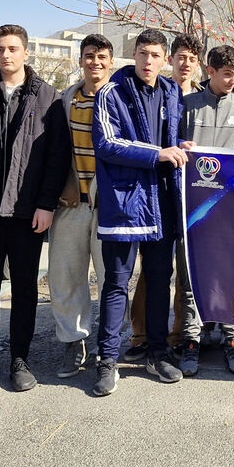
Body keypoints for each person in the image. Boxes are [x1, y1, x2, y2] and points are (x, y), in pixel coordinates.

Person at [0, 24, 70, 394]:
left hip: (27, 212)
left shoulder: (48, 96)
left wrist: (46, 205)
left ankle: (20, 359)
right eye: (0, 49)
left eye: (13, 48)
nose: (6, 55)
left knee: (24, 289)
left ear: (25, 52)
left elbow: (56, 157)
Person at [93, 29, 194, 392]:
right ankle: (107, 360)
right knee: (116, 283)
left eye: (155, 55)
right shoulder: (111, 92)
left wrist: (179, 146)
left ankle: (157, 352)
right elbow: (107, 144)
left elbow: (166, 140)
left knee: (159, 280)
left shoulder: (171, 91)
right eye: (142, 53)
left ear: (165, 59)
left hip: (162, 202)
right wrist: (158, 154)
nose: (148, 61)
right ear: (133, 54)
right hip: (125, 202)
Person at [178, 45, 234, 374]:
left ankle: (232, 339)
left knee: (229, 273)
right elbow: (174, 147)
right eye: (226, 74)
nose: (232, 80)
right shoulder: (187, 106)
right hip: (192, 207)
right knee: (191, 275)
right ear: (209, 71)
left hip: (231, 209)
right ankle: (191, 339)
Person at [46, 34, 114, 382]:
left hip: (110, 206)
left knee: (111, 278)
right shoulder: (65, 100)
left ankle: (110, 344)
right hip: (71, 203)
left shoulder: (121, 99)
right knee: (66, 276)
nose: (95, 62)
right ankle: (73, 341)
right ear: (80, 61)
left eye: (101, 56)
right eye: (89, 56)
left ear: (111, 62)